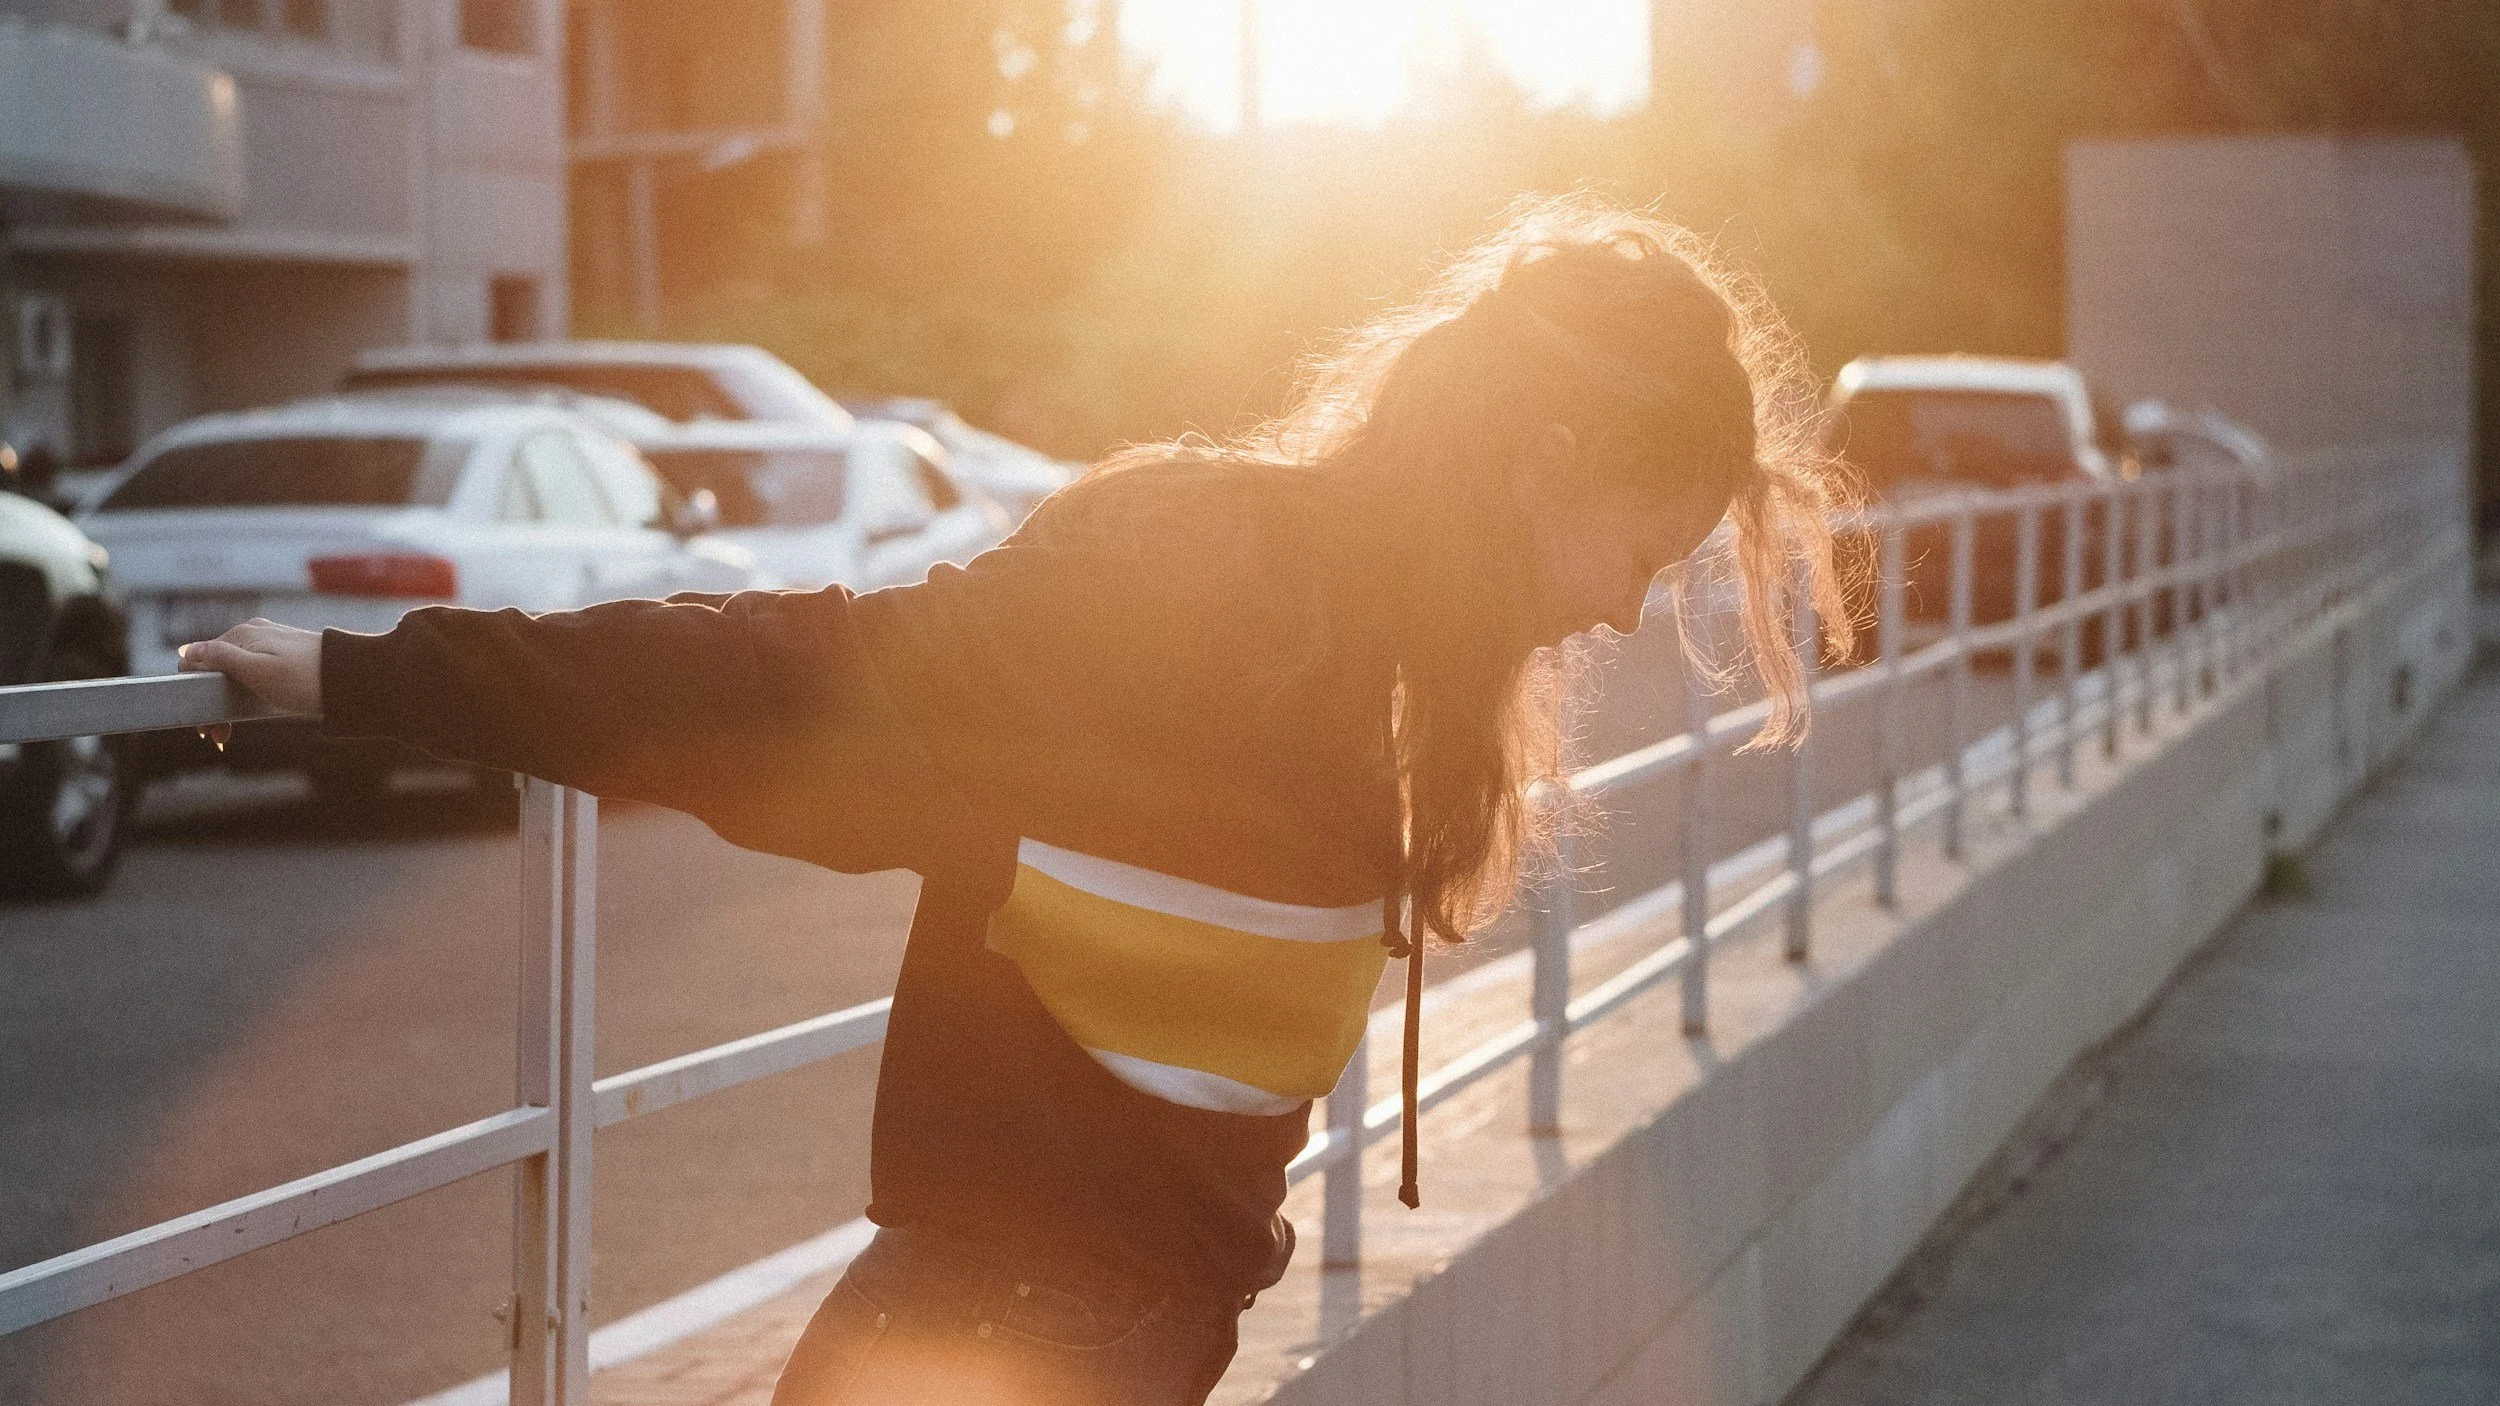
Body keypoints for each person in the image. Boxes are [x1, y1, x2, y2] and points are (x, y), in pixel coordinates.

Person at [177, 195, 1851, 1406]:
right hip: (992, 1331)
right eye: (1636, 551)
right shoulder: (1198, 576)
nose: (1627, 611)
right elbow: (785, 681)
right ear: (1544, 454)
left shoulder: (1401, 671)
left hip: (1118, 1339)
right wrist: (363, 678)